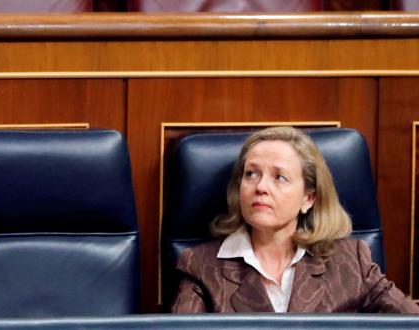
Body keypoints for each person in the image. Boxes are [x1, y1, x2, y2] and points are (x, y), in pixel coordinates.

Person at [171, 126, 417, 313]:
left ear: (308, 198)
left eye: (280, 178)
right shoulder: (201, 266)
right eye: (251, 174)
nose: (261, 187)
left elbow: (409, 321)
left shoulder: (351, 262)